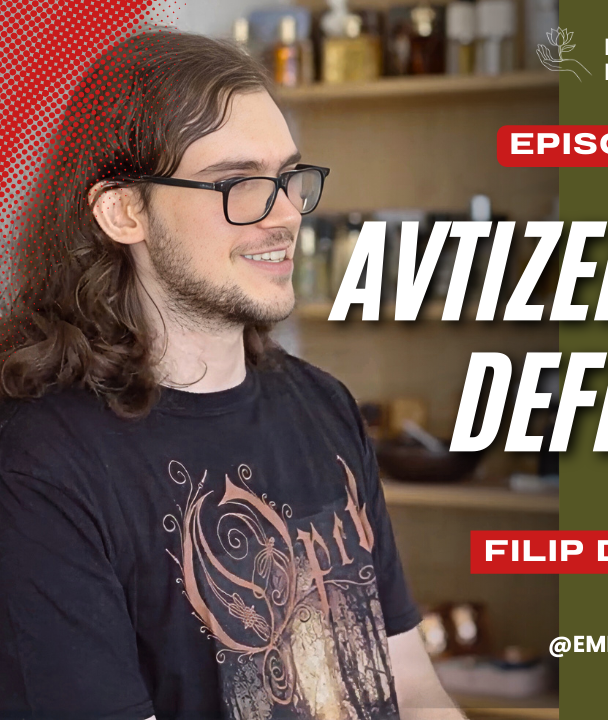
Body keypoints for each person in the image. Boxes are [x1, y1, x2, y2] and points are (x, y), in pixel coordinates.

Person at [0, 31, 464, 720]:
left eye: (287, 177)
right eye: (238, 183)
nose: (285, 214)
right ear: (124, 211)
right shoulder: (40, 464)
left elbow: (414, 692)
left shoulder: (324, 406)